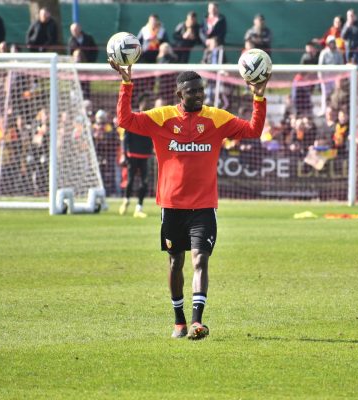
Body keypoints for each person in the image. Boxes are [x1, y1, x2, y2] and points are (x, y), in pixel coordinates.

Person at [109, 59, 268, 340]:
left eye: (201, 90)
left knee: (200, 261)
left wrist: (258, 96)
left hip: (204, 206)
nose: (199, 95)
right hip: (171, 207)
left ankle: (197, 322)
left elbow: (253, 130)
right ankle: (179, 321)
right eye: (192, 91)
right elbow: (124, 120)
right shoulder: (162, 118)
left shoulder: (217, 119)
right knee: (175, 263)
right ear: (179, 94)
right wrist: (126, 84)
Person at [119, 94, 154, 218]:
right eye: (145, 102)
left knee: (144, 183)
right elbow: (125, 138)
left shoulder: (151, 119)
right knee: (130, 181)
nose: (148, 105)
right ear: (140, 103)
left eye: (149, 102)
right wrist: (124, 154)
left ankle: (139, 208)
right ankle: (126, 200)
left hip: (145, 155)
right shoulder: (133, 117)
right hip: (132, 155)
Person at [318, 36, 343, 114]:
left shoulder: (339, 52)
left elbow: (341, 64)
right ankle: (324, 110)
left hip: (335, 78)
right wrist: (321, 77)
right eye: (330, 43)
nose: (332, 44)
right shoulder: (324, 53)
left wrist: (339, 77)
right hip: (326, 78)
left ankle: (334, 110)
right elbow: (320, 65)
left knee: (335, 94)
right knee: (325, 94)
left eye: (333, 42)